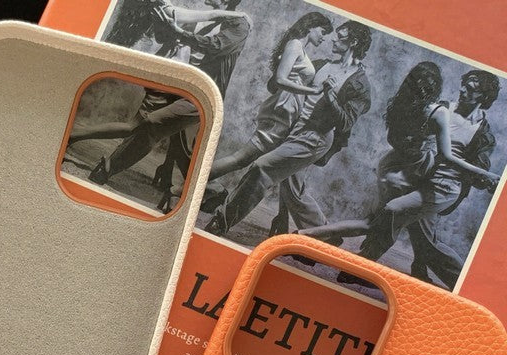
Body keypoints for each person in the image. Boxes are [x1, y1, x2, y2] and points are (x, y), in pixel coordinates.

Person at [205, 21, 373, 237]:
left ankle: (221, 221)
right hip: (292, 128)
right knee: (293, 189)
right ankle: (324, 236)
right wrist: (282, 70)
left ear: (354, 42)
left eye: (340, 37)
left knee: (262, 168)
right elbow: (276, 85)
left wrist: (330, 95)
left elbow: (346, 123)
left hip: (314, 138)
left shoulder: (359, 84)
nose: (333, 39)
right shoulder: (322, 65)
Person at [337, 70, 500, 288]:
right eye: (464, 84)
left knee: (399, 217)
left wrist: (484, 177)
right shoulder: (442, 108)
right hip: (415, 175)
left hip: (440, 187)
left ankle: (465, 285)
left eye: (471, 89)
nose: (462, 90)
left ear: (484, 97)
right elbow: (407, 134)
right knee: (421, 236)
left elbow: (478, 172)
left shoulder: (483, 134)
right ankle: (427, 273)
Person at [85, 0, 252, 192]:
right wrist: (167, 27)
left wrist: (178, 31)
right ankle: (186, 183)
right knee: (170, 143)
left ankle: (211, 191)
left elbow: (215, 45)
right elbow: (168, 33)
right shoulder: (206, 15)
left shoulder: (239, 25)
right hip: (178, 84)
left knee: (154, 127)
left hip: (199, 93)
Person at [189, 12, 332, 210]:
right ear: (311, 26)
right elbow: (280, 79)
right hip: (282, 110)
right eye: (323, 32)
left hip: (287, 109)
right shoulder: (295, 45)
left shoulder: (300, 48)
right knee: (243, 158)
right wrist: (312, 90)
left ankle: (200, 187)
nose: (324, 38)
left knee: (248, 159)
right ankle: (188, 185)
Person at [297, 61, 445, 245]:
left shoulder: (403, 105)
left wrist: (411, 149)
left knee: (376, 222)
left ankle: (308, 234)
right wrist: (417, 151)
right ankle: (307, 234)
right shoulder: (433, 111)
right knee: (375, 223)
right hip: (405, 172)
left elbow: (392, 139)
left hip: (392, 166)